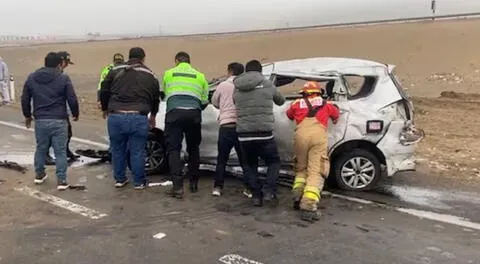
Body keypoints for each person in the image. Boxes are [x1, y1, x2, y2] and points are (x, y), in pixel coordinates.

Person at [100, 47, 160, 190]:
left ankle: (120, 179)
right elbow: (155, 97)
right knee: (138, 151)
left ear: (129, 57)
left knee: (117, 149)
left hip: (116, 116)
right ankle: (138, 182)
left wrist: (104, 108)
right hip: (138, 117)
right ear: (143, 58)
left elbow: (104, 89)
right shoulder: (150, 74)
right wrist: (153, 115)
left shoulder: (115, 71)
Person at [21, 52, 80, 190]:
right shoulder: (63, 77)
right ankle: (61, 180)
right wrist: (75, 113)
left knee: (41, 148)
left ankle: (39, 175)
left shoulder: (32, 77)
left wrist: (27, 115)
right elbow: (72, 98)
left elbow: (25, 98)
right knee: (60, 151)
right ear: (59, 64)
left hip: (40, 120)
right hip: (59, 119)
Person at [233, 59, 285, 207]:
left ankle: (256, 196)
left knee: (249, 165)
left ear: (246, 71)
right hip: (264, 133)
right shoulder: (267, 83)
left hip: (244, 135)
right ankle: (269, 190)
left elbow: (234, 101)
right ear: (260, 71)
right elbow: (281, 101)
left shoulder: (237, 86)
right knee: (274, 162)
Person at [286, 81, 340, 222]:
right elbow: (336, 115)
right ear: (319, 92)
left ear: (304, 93)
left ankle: (297, 196)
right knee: (315, 171)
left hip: (300, 136)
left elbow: (289, 115)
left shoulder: (296, 103)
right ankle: (308, 206)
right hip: (318, 137)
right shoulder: (326, 104)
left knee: (301, 168)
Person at [162, 51, 209, 199]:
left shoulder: (168, 73)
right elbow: (204, 101)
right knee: (193, 147)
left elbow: (165, 94)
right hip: (193, 114)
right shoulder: (200, 76)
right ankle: (194, 183)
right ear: (189, 62)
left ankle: (177, 187)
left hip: (174, 113)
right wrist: (194, 109)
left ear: (176, 61)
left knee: (174, 149)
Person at [211, 62, 251, 198]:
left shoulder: (222, 86)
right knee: (244, 159)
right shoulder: (245, 86)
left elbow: (214, 102)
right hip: (240, 127)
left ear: (229, 71)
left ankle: (217, 187)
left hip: (226, 126)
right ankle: (249, 187)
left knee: (222, 159)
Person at [44, 51, 79, 165]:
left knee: (68, 132)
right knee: (51, 134)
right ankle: (45, 155)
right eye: (66, 62)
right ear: (61, 62)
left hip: (61, 109)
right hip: (52, 109)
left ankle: (66, 150)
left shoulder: (61, 74)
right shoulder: (54, 75)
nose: (67, 65)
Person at [97, 53, 125, 160]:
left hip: (111, 102)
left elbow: (101, 86)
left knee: (114, 128)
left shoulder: (107, 69)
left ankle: (113, 150)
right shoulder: (127, 69)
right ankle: (116, 150)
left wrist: (100, 101)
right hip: (124, 102)